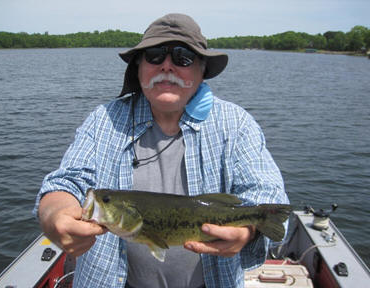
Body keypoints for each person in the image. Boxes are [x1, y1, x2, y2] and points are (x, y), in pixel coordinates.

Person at [34, 13, 289, 288]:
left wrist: (248, 230)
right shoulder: (103, 120)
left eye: (183, 57)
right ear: (139, 67)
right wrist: (54, 215)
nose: (167, 66)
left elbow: (268, 193)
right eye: (154, 55)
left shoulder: (236, 124)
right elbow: (67, 182)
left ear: (201, 69)